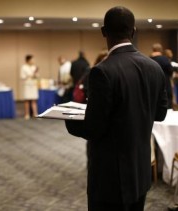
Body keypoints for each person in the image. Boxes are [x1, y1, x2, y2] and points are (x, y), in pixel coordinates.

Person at [65, 6, 168, 211]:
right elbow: (160, 113)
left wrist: (68, 119)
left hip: (110, 178)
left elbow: (94, 128)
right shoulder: (154, 68)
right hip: (140, 170)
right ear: (133, 31)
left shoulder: (102, 71)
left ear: (104, 32)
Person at [150, 43, 173, 108]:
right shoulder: (164, 59)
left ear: (153, 49)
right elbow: (170, 70)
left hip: (153, 84)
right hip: (165, 83)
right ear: (161, 50)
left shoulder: (149, 59)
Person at [20, 54, 39, 120]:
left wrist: (36, 75)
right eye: (32, 59)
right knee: (27, 100)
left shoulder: (35, 67)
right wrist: (30, 75)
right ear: (28, 60)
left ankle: (35, 114)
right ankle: (27, 114)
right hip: (27, 85)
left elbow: (37, 76)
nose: (33, 60)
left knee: (34, 100)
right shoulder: (24, 67)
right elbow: (22, 77)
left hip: (33, 85)